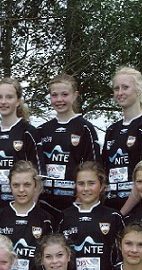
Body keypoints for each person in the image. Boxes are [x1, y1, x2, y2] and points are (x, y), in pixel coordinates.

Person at [38, 74, 101, 217]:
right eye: (54, 95)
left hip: (73, 203)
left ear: (75, 95)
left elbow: (95, 167)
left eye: (64, 94)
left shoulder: (85, 128)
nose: (59, 99)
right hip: (44, 203)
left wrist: (81, 199)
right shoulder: (41, 130)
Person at [101, 67, 142, 214]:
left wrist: (122, 213)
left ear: (138, 89)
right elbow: (103, 172)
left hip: (136, 210)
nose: (120, 92)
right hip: (110, 207)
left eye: (125, 87)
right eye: (116, 88)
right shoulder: (111, 130)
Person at [0, 77, 41, 215]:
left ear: (18, 101)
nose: (3, 102)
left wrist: (29, 211)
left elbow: (38, 177)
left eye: (9, 97)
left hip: (20, 210)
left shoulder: (29, 132)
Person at [0, 160, 55, 270]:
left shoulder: (47, 219)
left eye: (27, 185)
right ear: (9, 186)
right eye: (16, 185)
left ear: (35, 186)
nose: (21, 190)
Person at [59, 161, 124, 270]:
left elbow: (122, 254)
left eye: (91, 183)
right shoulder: (64, 216)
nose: (86, 188)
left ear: (102, 186)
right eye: (81, 184)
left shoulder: (113, 216)